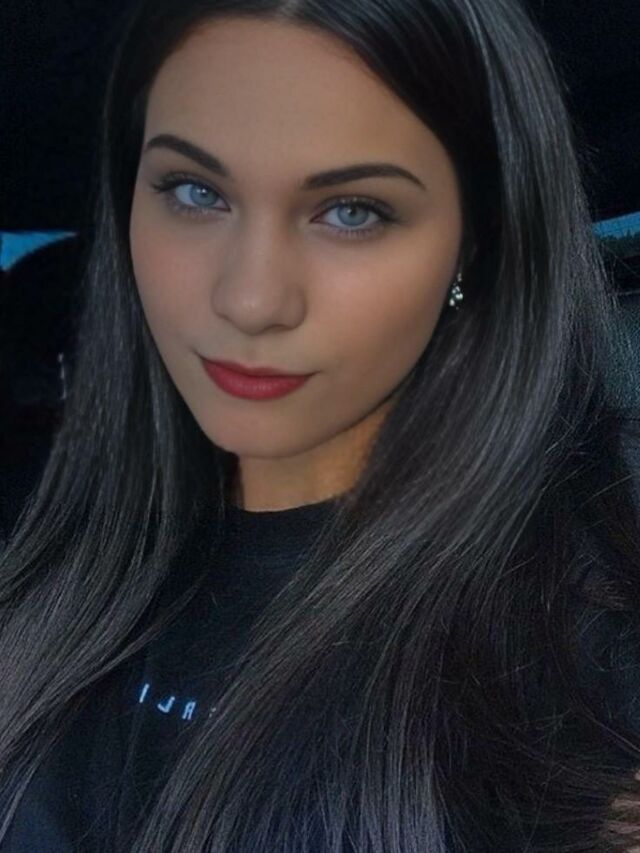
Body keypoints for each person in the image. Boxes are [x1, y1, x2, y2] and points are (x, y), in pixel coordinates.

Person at [2, 0, 640, 849]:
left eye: (352, 210)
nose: (251, 298)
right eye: (195, 191)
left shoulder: (579, 643)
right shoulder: (39, 547)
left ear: (477, 243)